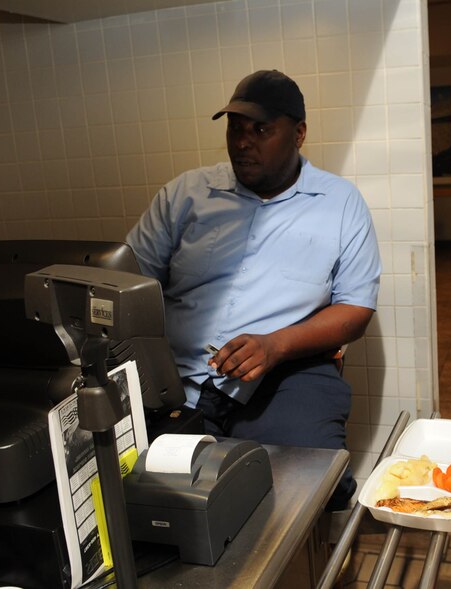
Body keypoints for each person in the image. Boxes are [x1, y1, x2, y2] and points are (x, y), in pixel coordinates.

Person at [126, 70, 381, 510]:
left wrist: (276, 346)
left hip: (286, 377)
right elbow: (128, 283)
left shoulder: (339, 204)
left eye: (261, 130)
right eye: (236, 129)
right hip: (179, 377)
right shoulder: (186, 195)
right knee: (150, 490)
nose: (244, 142)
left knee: (307, 483)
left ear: (299, 134)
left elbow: (356, 309)